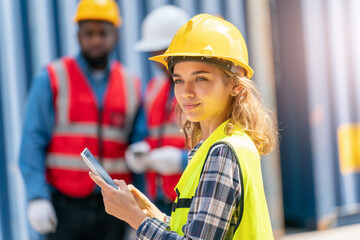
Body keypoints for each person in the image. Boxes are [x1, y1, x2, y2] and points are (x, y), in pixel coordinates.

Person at [90, 13, 278, 239]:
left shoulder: (222, 152)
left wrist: (135, 219)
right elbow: (199, 229)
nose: (186, 92)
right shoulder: (217, 146)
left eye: (201, 78)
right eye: (178, 80)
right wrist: (153, 215)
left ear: (236, 86)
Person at [18, 0, 144, 239]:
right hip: (65, 207)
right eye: (89, 33)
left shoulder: (131, 85)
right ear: (78, 35)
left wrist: (139, 212)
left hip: (116, 210)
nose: (96, 40)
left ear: (115, 36)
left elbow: (138, 152)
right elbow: (32, 142)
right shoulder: (52, 78)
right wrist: (37, 197)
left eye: (102, 33)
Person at [125, 5, 190, 215]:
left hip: (193, 198)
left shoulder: (201, 89)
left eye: (164, 52)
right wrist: (140, 150)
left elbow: (220, 147)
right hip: (160, 200)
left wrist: (181, 161)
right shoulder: (155, 89)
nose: (160, 60)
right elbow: (144, 133)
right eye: (155, 53)